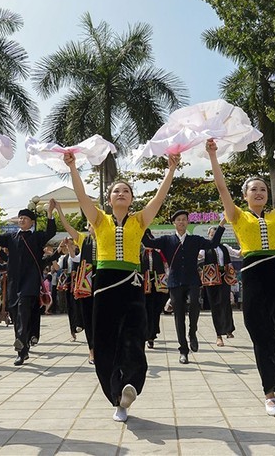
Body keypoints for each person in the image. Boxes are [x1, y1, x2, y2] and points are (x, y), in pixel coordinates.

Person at [64, 150, 179, 422]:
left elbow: (159, 198)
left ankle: (130, 386)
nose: (121, 194)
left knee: (133, 339)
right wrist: (73, 168)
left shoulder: (139, 220)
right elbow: (82, 197)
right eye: (116, 191)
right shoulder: (99, 220)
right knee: (104, 345)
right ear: (109, 198)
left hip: (132, 286)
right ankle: (116, 396)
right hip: (104, 287)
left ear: (131, 198)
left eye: (126, 191)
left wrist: (170, 170)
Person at [206, 138, 275, 417]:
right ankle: (269, 395)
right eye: (254, 189)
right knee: (261, 336)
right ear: (246, 195)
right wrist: (213, 156)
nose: (260, 192)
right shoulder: (237, 216)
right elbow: (221, 187)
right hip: (253, 279)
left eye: (263, 188)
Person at [141, 210, 226, 364]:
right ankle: (183, 350)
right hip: (174, 282)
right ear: (174, 223)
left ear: (188, 222)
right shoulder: (167, 240)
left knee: (194, 303)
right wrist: (139, 225)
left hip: (192, 279)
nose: (181, 222)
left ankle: (192, 332)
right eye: (178, 219)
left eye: (184, 219)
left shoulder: (195, 240)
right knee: (178, 315)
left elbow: (213, 243)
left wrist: (221, 224)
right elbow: (148, 243)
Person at [0, 203, 56, 366]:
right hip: (14, 282)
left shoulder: (37, 237)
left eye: (25, 218)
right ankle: (23, 349)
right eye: (20, 218)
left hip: (29, 282)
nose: (21, 220)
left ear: (32, 222)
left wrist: (50, 213)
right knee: (15, 314)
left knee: (23, 313)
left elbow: (51, 232)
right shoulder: (11, 237)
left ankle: (20, 347)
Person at [53, 199, 97, 365]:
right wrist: (59, 210)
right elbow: (68, 228)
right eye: (90, 224)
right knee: (87, 316)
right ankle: (91, 351)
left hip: (104, 281)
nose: (93, 226)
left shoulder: (107, 239)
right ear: (87, 227)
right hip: (86, 283)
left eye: (95, 223)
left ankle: (104, 348)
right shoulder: (83, 239)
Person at [199, 224, 239, 347]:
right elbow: (198, 256)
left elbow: (237, 254)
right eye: (212, 234)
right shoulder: (204, 248)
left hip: (224, 276)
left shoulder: (224, 247)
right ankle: (218, 335)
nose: (214, 236)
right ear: (209, 235)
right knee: (215, 305)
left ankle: (228, 328)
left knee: (225, 302)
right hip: (211, 279)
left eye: (216, 234)